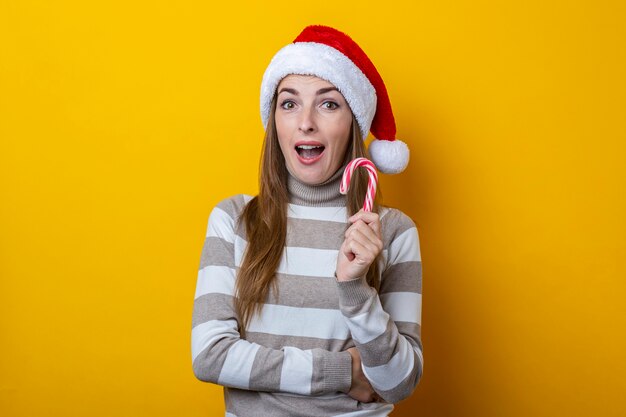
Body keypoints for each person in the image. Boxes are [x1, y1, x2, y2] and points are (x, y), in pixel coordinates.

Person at [191, 25, 423, 417]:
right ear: (274, 122)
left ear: (353, 122)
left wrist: (355, 290)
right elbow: (211, 356)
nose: (306, 123)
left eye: (329, 104)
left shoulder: (394, 232)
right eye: (289, 103)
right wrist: (342, 371)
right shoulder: (233, 220)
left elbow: (398, 382)